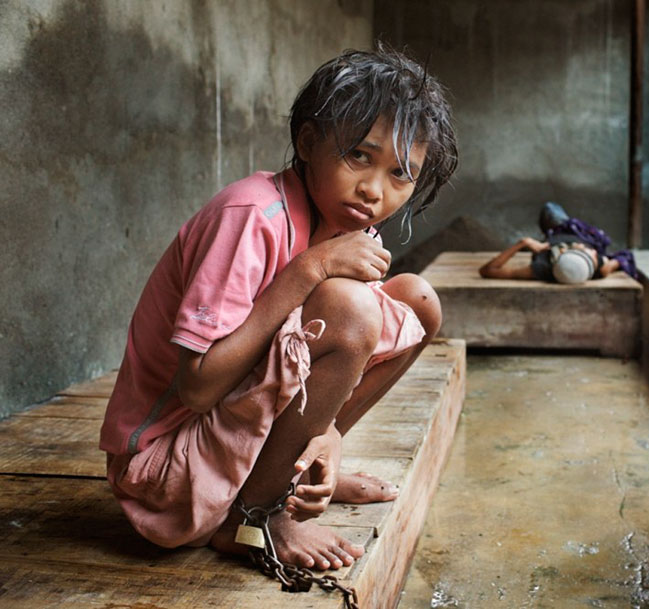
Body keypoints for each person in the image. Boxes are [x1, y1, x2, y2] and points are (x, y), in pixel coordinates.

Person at [98, 44, 458, 574]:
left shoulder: (345, 219)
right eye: (359, 155)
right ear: (309, 142)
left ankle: (298, 467)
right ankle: (255, 516)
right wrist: (308, 271)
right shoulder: (252, 215)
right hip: (165, 471)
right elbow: (196, 389)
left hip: (229, 441)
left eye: (400, 174)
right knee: (350, 308)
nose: (373, 189)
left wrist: (328, 437)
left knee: (418, 302)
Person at [479, 202, 636, 283]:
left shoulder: (542, 268)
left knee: (550, 207)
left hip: (557, 230)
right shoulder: (600, 267)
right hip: (573, 230)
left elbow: (487, 270)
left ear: (563, 252)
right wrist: (612, 264)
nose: (593, 250)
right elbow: (621, 258)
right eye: (590, 252)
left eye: (586, 250)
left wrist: (523, 243)